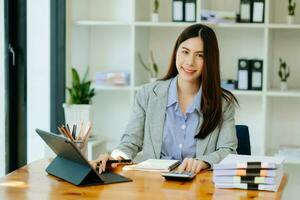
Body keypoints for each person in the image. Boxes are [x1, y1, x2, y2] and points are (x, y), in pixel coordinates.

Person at [91, 24, 238, 174]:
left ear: (209, 61)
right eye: (185, 52)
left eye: (200, 55)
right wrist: (114, 157)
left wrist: (204, 162)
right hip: (153, 184)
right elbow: (130, 142)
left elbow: (228, 151)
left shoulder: (223, 103)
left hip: (198, 185)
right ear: (176, 52)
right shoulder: (147, 94)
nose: (190, 62)